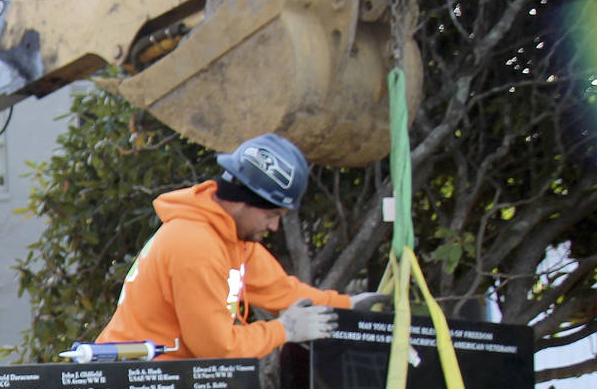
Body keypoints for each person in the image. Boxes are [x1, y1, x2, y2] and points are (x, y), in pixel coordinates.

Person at [96, 133, 388, 359]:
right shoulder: (195, 245)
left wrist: (348, 306)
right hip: (128, 386)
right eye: (271, 215)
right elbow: (216, 349)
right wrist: (284, 330)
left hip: (157, 381)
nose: (274, 227)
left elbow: (283, 293)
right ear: (240, 202)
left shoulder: (232, 239)